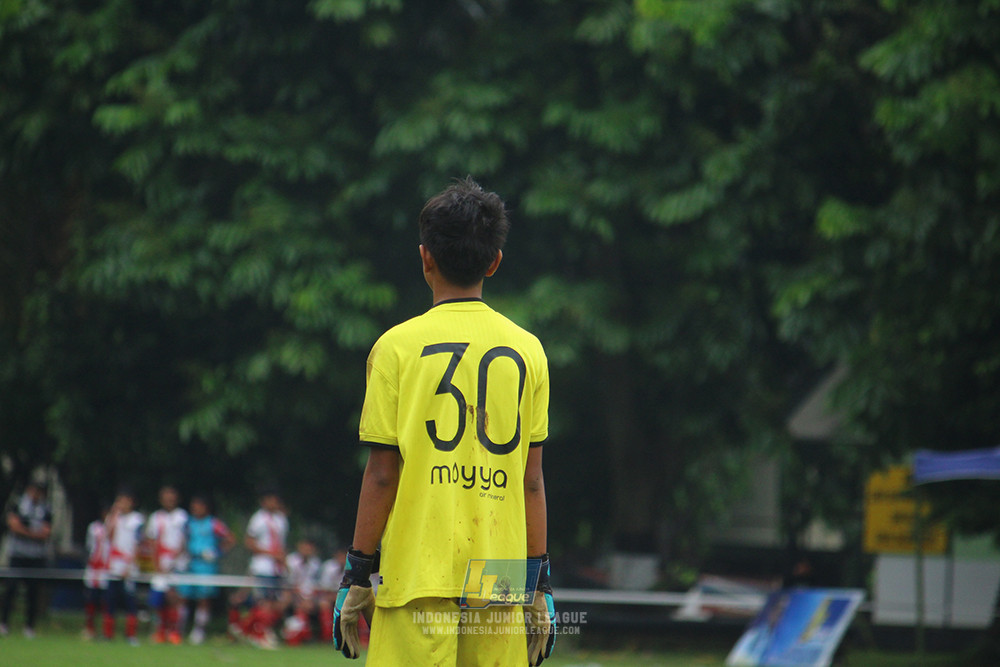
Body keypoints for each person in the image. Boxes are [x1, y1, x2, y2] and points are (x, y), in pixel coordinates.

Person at [334, 178, 556, 665]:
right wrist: (537, 583)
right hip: (499, 578)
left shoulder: (394, 348)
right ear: (494, 262)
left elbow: (382, 474)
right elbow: (531, 481)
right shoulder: (529, 351)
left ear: (425, 257)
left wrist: (358, 573)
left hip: (416, 570)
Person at [229, 488, 287, 649]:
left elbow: (281, 544)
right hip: (263, 566)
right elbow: (249, 542)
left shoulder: (281, 519)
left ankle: (243, 628)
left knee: (276, 603)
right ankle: (260, 632)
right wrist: (270, 553)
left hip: (276, 568)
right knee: (264, 602)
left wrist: (282, 559)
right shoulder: (258, 519)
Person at [177, 493, 235, 644]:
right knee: (183, 596)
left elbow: (230, 539)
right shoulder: (189, 523)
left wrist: (216, 552)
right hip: (191, 562)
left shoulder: (214, 524)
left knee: (203, 599)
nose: (195, 509)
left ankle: (199, 631)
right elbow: (184, 541)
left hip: (206, 565)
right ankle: (179, 629)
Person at [1, 480, 52, 639]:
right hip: (17, 554)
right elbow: (13, 526)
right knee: (11, 589)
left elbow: (45, 533)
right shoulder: (18, 505)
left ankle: (29, 626)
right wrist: (32, 533)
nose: (37, 494)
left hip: (36, 556)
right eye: (35, 490)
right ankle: (4, 623)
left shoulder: (46, 509)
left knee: (33, 593)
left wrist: (27, 532)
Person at [144, 485, 188, 644]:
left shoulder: (182, 517)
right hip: (160, 565)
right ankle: (160, 631)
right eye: (165, 497)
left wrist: (174, 561)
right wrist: (156, 564)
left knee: (175, 599)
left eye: (172, 497)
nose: (169, 500)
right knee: (158, 599)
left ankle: (175, 632)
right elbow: (151, 541)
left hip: (177, 565)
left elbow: (184, 540)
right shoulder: (156, 517)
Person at [104, 488, 145, 645]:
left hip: (129, 567)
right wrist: (114, 515)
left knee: (130, 601)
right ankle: (108, 634)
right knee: (110, 599)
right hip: (113, 566)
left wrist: (131, 565)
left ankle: (131, 634)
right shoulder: (113, 518)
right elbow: (108, 536)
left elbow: (138, 544)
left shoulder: (137, 520)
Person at [281, 538, 322, 645]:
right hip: (293, 593)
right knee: (291, 603)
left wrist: (311, 598)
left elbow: (318, 584)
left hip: (310, 595)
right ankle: (295, 635)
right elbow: (289, 583)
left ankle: (322, 637)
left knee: (324, 605)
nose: (307, 550)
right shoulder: (291, 560)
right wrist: (301, 599)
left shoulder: (316, 563)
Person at [82, 504, 111, 640]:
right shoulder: (94, 527)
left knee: (106, 601)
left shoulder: (115, 528)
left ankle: (106, 630)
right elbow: (90, 547)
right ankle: (89, 628)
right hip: (94, 568)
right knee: (91, 600)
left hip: (107, 569)